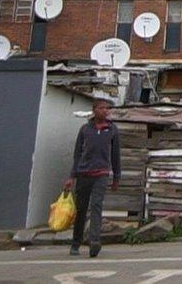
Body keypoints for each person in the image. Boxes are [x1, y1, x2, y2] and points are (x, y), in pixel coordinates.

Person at [64, 99, 121, 258]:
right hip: (83, 174)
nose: (105, 111)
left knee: (96, 206)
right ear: (94, 110)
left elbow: (115, 155)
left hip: (101, 174)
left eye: (107, 108)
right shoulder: (85, 130)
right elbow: (77, 154)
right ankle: (75, 243)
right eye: (102, 108)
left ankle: (94, 242)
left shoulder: (112, 130)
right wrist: (72, 176)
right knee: (81, 209)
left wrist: (116, 177)